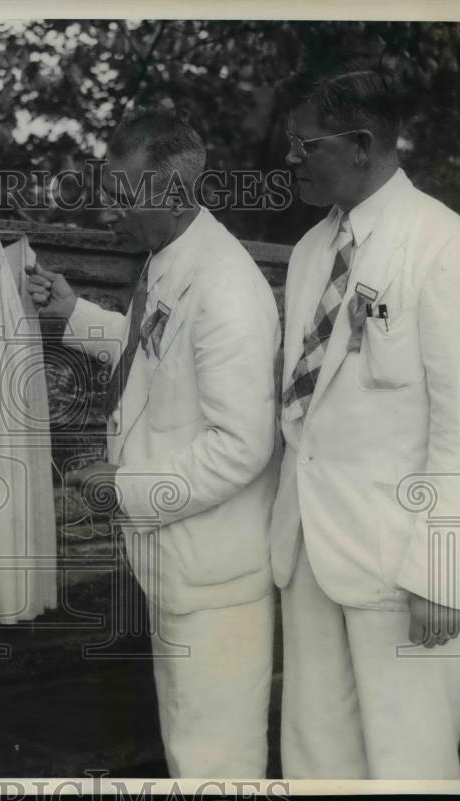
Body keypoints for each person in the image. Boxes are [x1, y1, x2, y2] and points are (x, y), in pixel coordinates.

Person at [270, 57, 460, 779]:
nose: (291, 160)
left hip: (406, 564)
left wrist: (441, 567)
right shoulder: (313, 251)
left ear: (363, 145)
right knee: (318, 762)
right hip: (311, 549)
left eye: (306, 144)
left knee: (411, 764)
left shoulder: (446, 249)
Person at [28, 109, 281, 778]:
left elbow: (242, 445)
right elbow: (157, 357)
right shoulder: (174, 259)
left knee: (215, 765)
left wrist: (125, 484)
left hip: (215, 585)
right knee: (190, 754)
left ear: (170, 193)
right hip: (182, 570)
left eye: (120, 194)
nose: (105, 209)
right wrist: (72, 314)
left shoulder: (227, 289)